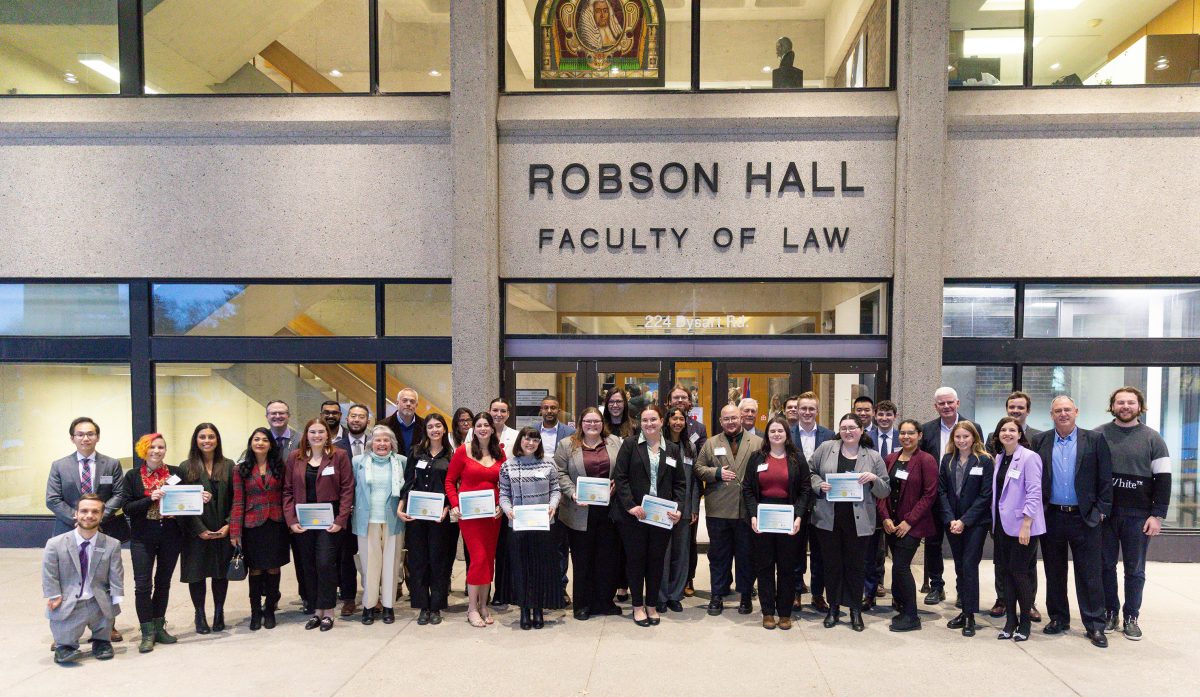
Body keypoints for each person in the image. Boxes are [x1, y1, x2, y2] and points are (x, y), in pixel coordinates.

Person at [1031, 395, 1112, 648]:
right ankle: (1058, 618)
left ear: (1076, 411)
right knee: (1054, 572)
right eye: (1058, 411)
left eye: (1067, 409)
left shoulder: (1095, 439)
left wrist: (1101, 510)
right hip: (1052, 516)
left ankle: (1095, 624)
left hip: (1084, 517)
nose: (1063, 414)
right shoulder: (1040, 441)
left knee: (1089, 574)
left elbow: (1105, 477)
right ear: (1051, 415)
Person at [1097, 386, 1172, 640]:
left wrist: (1157, 515)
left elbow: (1163, 479)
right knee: (1105, 566)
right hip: (1106, 515)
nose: (1125, 406)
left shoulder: (1153, 439)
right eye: (1120, 402)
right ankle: (1110, 612)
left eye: (1130, 402)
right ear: (1112, 406)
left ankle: (1131, 617)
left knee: (1135, 570)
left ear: (1139, 406)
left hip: (1139, 516)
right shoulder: (1099, 435)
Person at [46, 418, 130, 641]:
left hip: (104, 529)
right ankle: (63, 629)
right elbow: (53, 499)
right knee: (67, 578)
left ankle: (108, 624)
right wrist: (79, 518)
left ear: (97, 437)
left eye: (90, 434)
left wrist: (98, 516)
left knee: (104, 578)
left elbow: (119, 494)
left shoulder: (111, 464)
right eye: (80, 434)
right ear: (72, 438)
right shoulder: (59, 466)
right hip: (69, 529)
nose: (86, 438)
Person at [808, 413, 889, 631]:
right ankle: (833, 608)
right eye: (843, 428)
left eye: (852, 427)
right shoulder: (826, 448)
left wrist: (873, 479)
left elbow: (885, 490)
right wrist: (819, 485)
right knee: (832, 565)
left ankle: (855, 610)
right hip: (829, 519)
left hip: (859, 521)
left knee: (856, 566)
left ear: (861, 430)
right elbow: (810, 472)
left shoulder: (873, 456)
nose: (848, 432)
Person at [612, 405, 685, 627]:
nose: (649, 424)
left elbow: (680, 483)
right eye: (645, 420)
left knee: (655, 562)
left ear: (662, 421)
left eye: (653, 419)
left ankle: (651, 605)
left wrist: (679, 508)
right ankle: (637, 606)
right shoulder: (630, 445)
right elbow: (620, 477)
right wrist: (630, 506)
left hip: (661, 517)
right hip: (635, 516)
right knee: (636, 561)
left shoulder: (672, 449)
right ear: (640, 423)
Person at [284, 418, 354, 632]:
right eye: (312, 432)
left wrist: (341, 520)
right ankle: (317, 611)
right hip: (303, 520)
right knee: (308, 565)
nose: (317, 436)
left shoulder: (339, 455)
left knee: (325, 563)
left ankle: (329, 611)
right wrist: (291, 521)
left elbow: (347, 489)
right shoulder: (295, 457)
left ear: (327, 434)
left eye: (321, 432)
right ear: (306, 434)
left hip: (329, 521)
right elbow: (287, 490)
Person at [554, 406, 624, 621]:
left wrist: (617, 483)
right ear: (580, 424)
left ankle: (605, 601)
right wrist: (572, 492)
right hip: (579, 510)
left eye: (596, 421)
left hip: (608, 511)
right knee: (582, 559)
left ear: (602, 423)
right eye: (588, 421)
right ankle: (582, 604)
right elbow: (559, 473)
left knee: (607, 558)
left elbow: (623, 469)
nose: (592, 425)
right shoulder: (567, 444)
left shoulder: (614, 442)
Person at [742, 417, 811, 630]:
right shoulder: (757, 457)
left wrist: (798, 516)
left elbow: (805, 489)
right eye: (772, 431)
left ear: (787, 434)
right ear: (767, 434)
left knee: (786, 567)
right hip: (762, 517)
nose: (776, 434)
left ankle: (785, 612)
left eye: (780, 430)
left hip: (788, 517)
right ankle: (768, 612)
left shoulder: (797, 458)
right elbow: (747, 488)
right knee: (764, 566)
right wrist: (753, 515)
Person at [694, 404, 762, 616]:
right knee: (718, 556)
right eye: (726, 419)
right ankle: (717, 595)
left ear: (740, 418)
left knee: (746, 556)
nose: (731, 422)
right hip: (719, 509)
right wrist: (716, 473)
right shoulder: (711, 443)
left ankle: (745, 596)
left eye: (734, 418)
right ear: (721, 421)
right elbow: (698, 468)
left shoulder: (757, 442)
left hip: (746, 510)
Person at [43, 494, 124, 664]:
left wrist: (116, 598)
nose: (89, 515)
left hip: (98, 600)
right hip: (69, 600)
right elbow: (49, 574)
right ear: (76, 514)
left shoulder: (112, 544)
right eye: (84, 511)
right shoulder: (55, 544)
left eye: (95, 512)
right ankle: (65, 646)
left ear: (101, 515)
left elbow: (116, 573)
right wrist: (54, 595)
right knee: (65, 637)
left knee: (104, 623)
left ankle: (101, 642)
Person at [985, 391, 1043, 620]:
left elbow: (1035, 488)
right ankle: (1004, 600)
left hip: (1023, 520)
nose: (1016, 411)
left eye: (1020, 407)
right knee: (1002, 563)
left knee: (1024, 566)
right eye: (1012, 407)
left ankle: (1028, 605)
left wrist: (1028, 521)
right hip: (1001, 519)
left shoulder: (1034, 444)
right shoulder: (999, 454)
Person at [122, 433, 182, 652]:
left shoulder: (176, 473)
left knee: (163, 582)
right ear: (143, 450)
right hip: (142, 537)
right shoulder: (132, 476)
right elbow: (127, 508)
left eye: (161, 447)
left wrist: (201, 498)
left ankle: (159, 626)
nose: (157, 451)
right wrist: (150, 499)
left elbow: (185, 500)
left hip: (170, 536)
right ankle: (147, 632)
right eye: (152, 447)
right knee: (143, 585)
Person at [499, 427, 563, 630]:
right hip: (518, 525)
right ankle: (525, 609)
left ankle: (538, 609)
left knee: (540, 568)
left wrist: (553, 505)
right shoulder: (508, 466)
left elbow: (556, 489)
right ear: (520, 441)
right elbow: (503, 494)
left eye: (535, 440)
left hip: (543, 525)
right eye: (527, 439)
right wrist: (508, 510)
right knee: (521, 568)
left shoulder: (549, 463)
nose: (531, 443)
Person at [877, 419, 938, 632]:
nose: (906, 437)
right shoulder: (890, 458)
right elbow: (882, 489)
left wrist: (909, 521)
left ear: (919, 435)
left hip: (912, 525)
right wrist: (885, 517)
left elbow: (929, 495)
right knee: (897, 566)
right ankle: (902, 607)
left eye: (911, 433)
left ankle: (912, 615)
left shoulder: (926, 460)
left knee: (901, 567)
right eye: (902, 433)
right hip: (891, 525)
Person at [446, 411, 505, 628]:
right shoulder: (464, 451)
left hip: (492, 515)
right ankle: (471, 608)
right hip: (470, 515)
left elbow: (505, 483)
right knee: (478, 558)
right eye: (479, 425)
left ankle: (483, 605)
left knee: (488, 560)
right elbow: (450, 481)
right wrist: (454, 504)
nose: (483, 429)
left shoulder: (499, 452)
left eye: (486, 425)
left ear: (492, 428)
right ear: (474, 429)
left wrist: (502, 505)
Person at [399, 413, 458, 625]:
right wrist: (401, 506)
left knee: (439, 561)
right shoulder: (416, 452)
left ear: (444, 429)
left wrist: (447, 508)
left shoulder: (451, 455)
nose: (434, 430)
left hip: (439, 517)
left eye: (438, 426)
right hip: (416, 515)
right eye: (430, 426)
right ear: (425, 430)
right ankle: (422, 605)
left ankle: (436, 606)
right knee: (418, 561)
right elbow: (408, 482)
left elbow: (453, 485)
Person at [937, 421, 994, 637]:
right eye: (958, 437)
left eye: (966, 436)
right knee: (960, 566)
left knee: (969, 566)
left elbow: (985, 495)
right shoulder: (947, 460)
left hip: (975, 523)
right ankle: (963, 610)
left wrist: (964, 520)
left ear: (974, 438)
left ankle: (970, 615)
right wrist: (951, 519)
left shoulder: (984, 460)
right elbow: (942, 491)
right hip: (952, 522)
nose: (962, 440)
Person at [230, 427, 290, 631]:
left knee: (274, 568)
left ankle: (270, 609)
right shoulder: (240, 469)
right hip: (252, 526)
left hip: (276, 524)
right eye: (256, 439)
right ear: (251, 443)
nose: (260, 443)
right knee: (255, 570)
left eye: (265, 440)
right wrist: (235, 531)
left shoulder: (280, 466)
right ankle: (255, 612)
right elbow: (238, 501)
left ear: (270, 444)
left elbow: (286, 495)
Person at [178, 422, 234, 634]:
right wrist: (199, 529)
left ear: (217, 440)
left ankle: (219, 612)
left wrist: (228, 524)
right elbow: (181, 502)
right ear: (196, 440)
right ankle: (199, 614)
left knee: (220, 574)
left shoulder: (229, 465)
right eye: (202, 437)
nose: (207, 440)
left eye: (211, 436)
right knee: (197, 574)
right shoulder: (186, 466)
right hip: (196, 532)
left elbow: (237, 499)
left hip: (222, 529)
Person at [918, 386, 972, 606]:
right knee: (933, 543)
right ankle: (936, 586)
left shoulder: (970, 426)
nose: (946, 406)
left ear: (957, 403)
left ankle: (963, 589)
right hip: (933, 496)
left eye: (950, 402)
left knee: (960, 547)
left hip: (960, 497)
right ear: (936, 406)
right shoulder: (926, 430)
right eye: (942, 403)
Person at [352, 425, 406, 626]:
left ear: (392, 443)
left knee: (392, 564)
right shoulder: (358, 462)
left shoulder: (401, 462)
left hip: (393, 520)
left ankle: (388, 605)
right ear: (371, 443)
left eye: (386, 440)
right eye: (378, 440)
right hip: (367, 521)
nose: (382, 444)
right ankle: (369, 605)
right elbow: (352, 489)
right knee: (369, 566)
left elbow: (406, 490)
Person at [789, 392, 835, 611]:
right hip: (794, 500)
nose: (807, 412)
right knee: (795, 550)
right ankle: (796, 592)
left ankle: (818, 595)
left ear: (817, 411)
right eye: (803, 408)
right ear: (797, 410)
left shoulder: (829, 435)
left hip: (821, 500)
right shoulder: (786, 433)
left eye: (811, 409)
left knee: (821, 552)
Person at [657, 406, 702, 613]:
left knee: (681, 553)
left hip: (683, 508)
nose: (677, 422)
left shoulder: (689, 446)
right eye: (674, 418)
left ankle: (675, 595)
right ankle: (660, 596)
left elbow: (695, 480)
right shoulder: (658, 444)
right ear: (667, 421)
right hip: (661, 508)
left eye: (681, 419)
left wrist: (693, 507)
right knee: (662, 554)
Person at [320, 400, 360, 617]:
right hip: (333, 507)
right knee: (332, 556)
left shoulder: (363, 441)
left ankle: (349, 597)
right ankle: (330, 596)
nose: (330, 416)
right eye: (326, 412)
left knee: (348, 556)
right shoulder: (326, 444)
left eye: (334, 412)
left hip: (357, 507)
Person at [667, 386, 706, 597]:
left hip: (687, 500)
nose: (680, 400)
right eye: (676, 397)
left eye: (684, 397)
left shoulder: (698, 430)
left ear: (690, 402)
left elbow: (697, 473)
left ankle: (685, 581)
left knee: (686, 545)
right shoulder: (659, 436)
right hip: (664, 501)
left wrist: (694, 506)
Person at [862, 399, 899, 605]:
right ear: (875, 416)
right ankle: (875, 585)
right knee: (874, 547)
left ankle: (897, 591)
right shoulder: (867, 438)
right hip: (873, 496)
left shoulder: (903, 437)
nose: (884, 418)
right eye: (881, 415)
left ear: (895, 416)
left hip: (898, 498)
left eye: (888, 415)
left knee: (896, 548)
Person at [383, 388, 425, 456]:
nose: (408, 404)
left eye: (412, 401)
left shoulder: (425, 425)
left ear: (416, 405)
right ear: (397, 403)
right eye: (404, 400)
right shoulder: (383, 425)